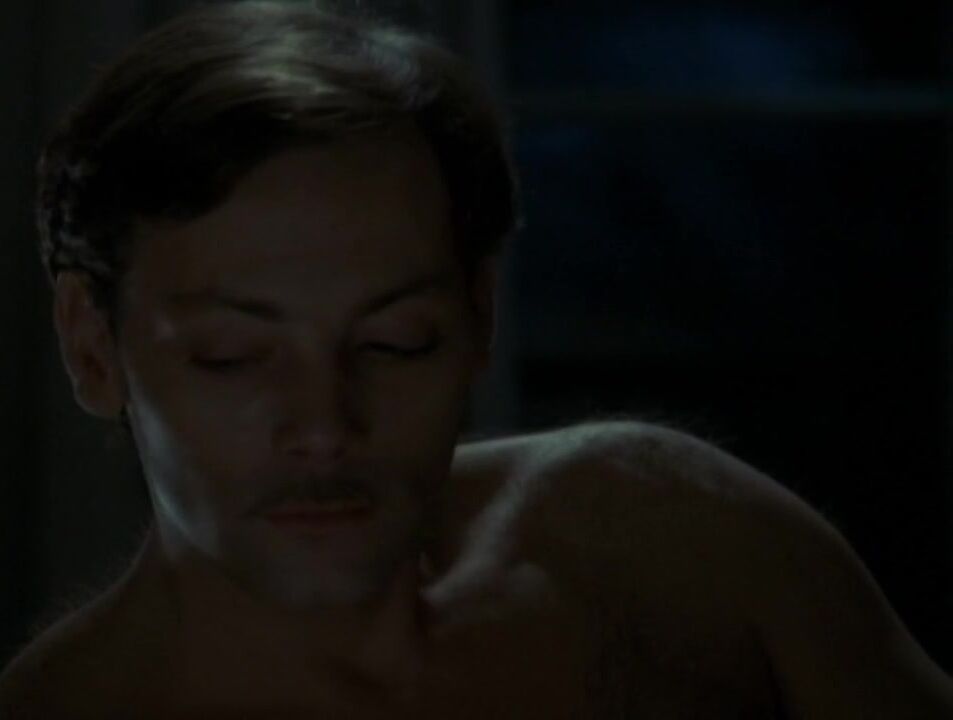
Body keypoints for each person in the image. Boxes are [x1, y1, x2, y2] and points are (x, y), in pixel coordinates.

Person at [2, 2, 951, 717]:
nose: (325, 425)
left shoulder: (663, 535)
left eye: (395, 342)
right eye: (233, 356)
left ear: (476, 320)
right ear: (92, 347)